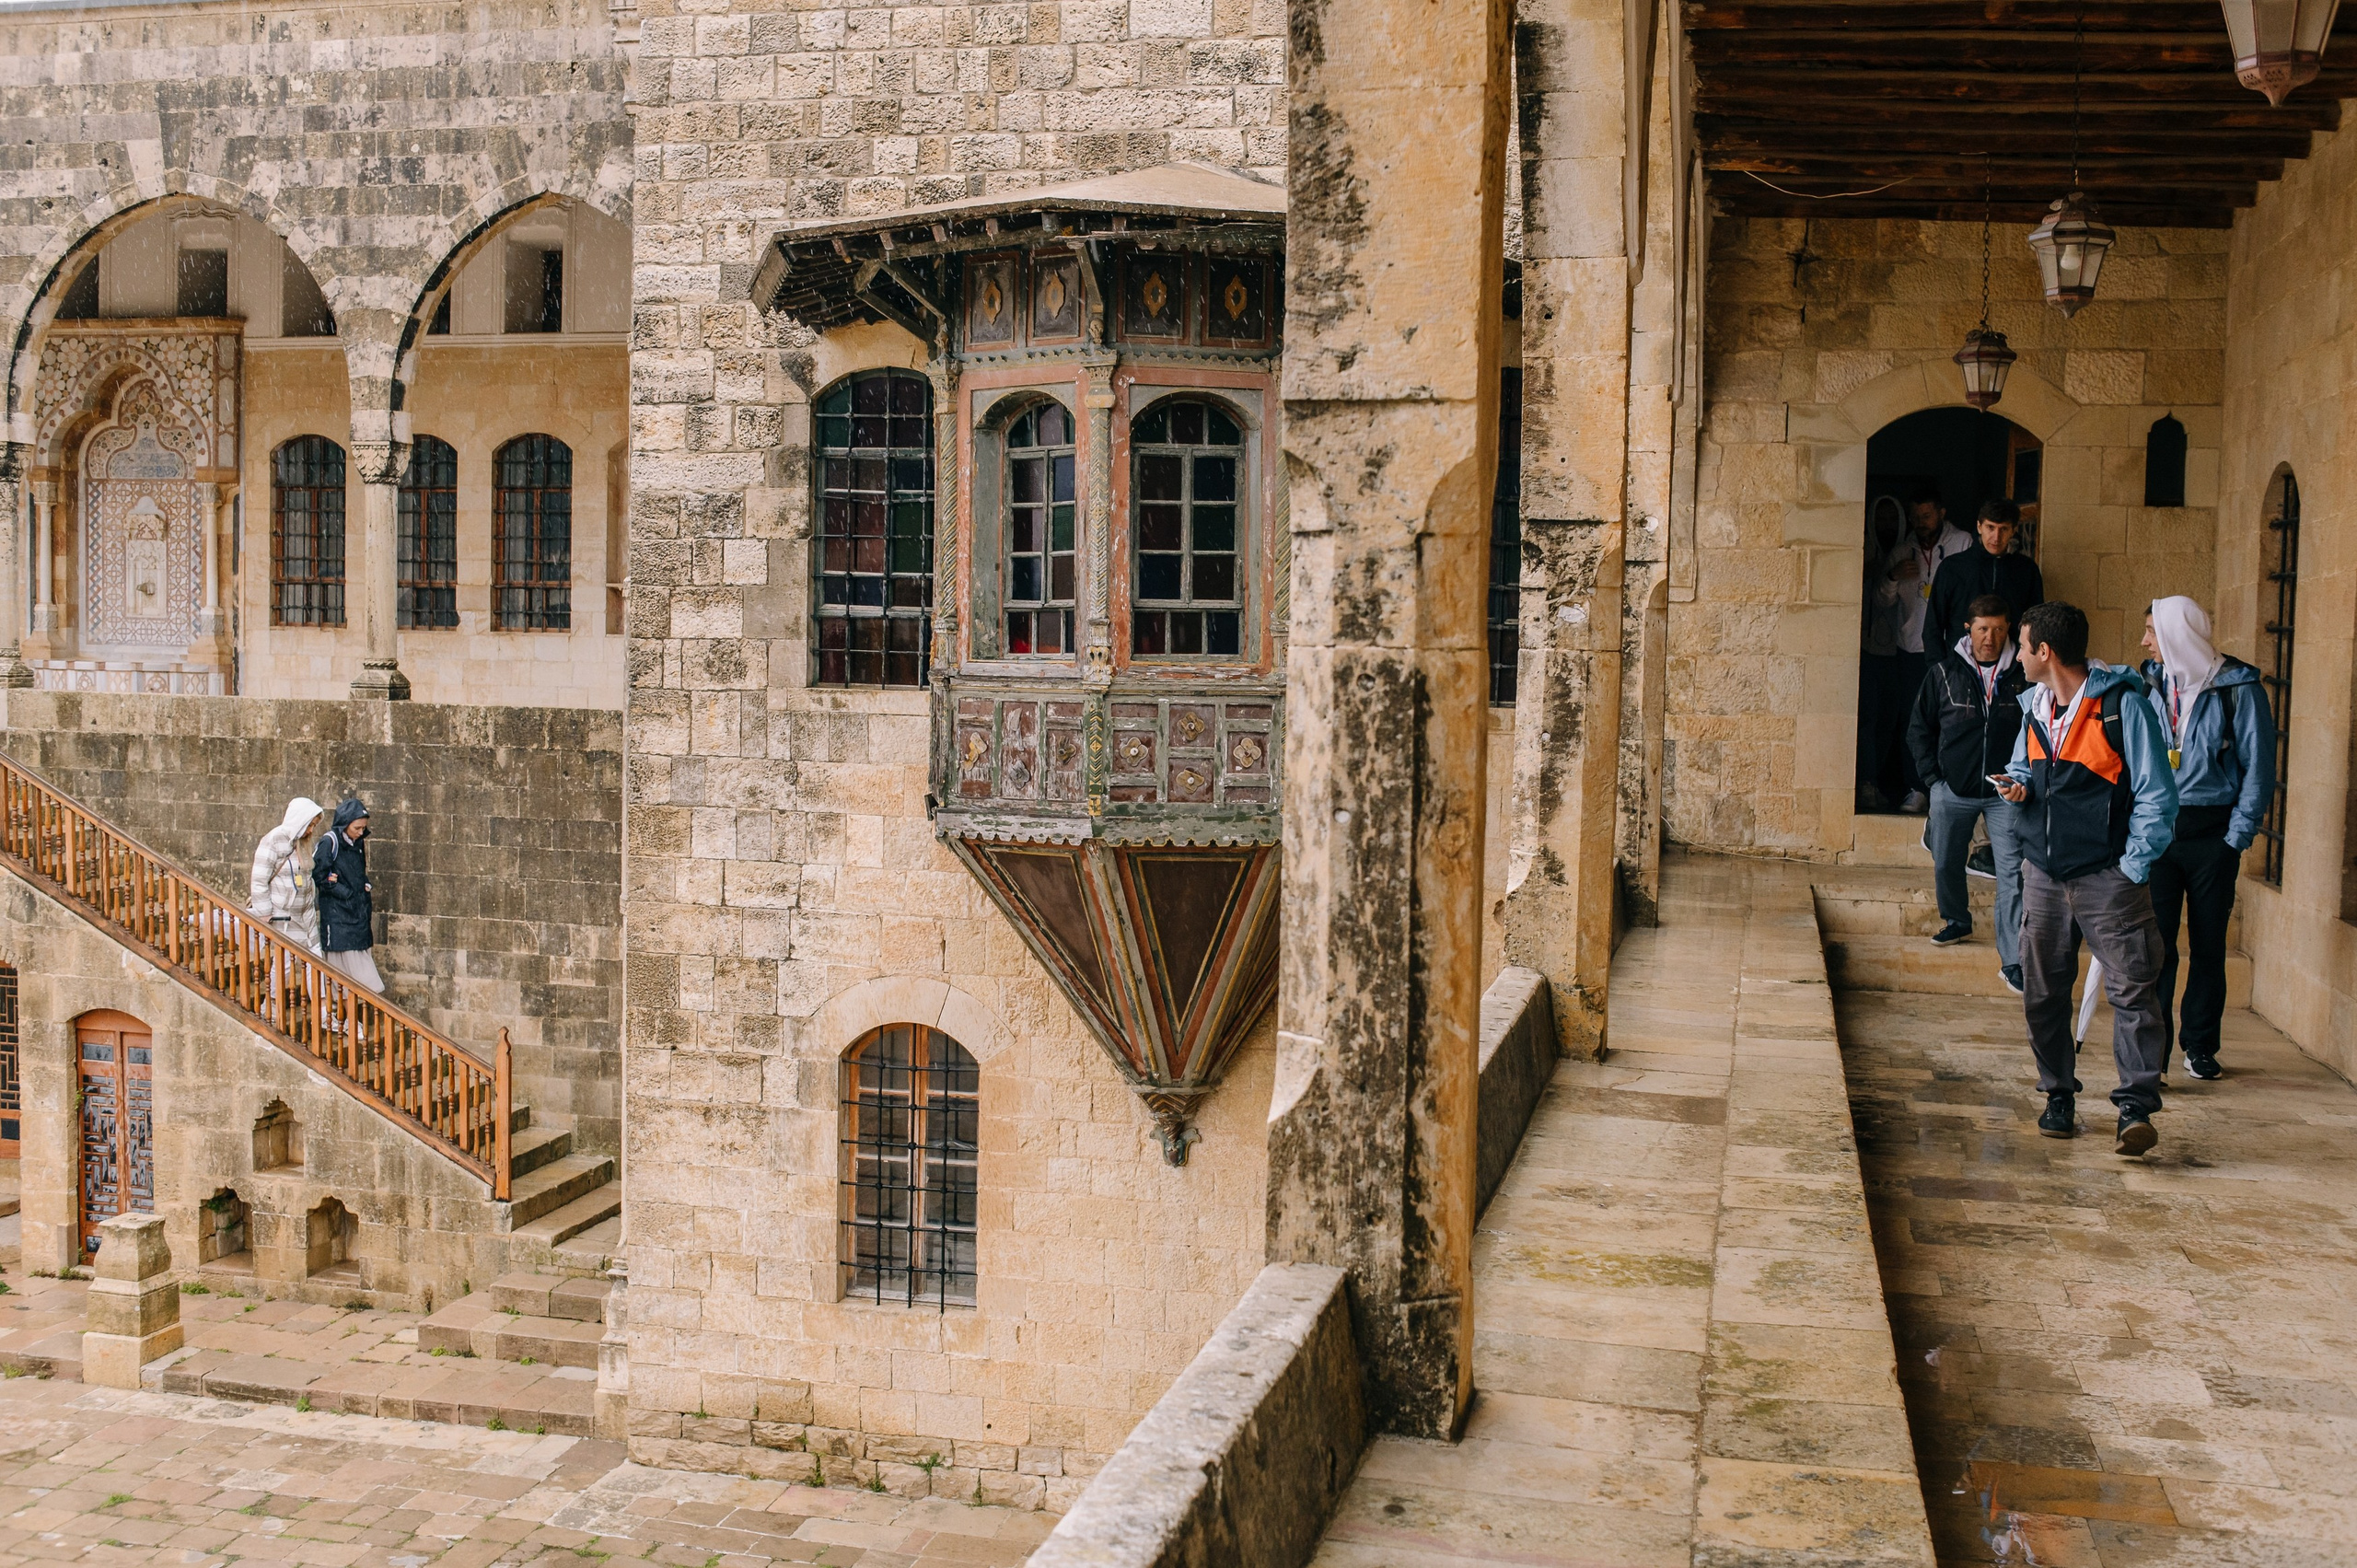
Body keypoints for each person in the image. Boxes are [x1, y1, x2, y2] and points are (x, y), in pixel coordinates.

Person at [1994, 601, 2177, 1156]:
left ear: (2044, 652)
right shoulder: (2033, 708)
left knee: (2133, 992)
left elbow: (2156, 795)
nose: (2017, 658)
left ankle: (2134, 1110)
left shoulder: (2125, 707)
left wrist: (2132, 868)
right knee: (2044, 992)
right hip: (2044, 876)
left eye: (2022, 647)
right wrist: (2018, 786)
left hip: (2107, 879)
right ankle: (2058, 1096)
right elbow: (2024, 767)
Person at [2138, 596, 2273, 1081]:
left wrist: (2235, 839)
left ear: (2176, 635)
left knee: (2209, 946)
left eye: (2152, 631)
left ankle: (2200, 1046)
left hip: (2213, 835)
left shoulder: (2239, 688)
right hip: (2159, 835)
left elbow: (2259, 769)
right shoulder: (2151, 684)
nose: (2145, 641)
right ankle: (2152, 1056)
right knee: (2157, 950)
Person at [1907, 594, 2029, 989]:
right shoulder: (1944, 673)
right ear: (1968, 629)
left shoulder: (2024, 674)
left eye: (1997, 629)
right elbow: (1919, 729)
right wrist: (1933, 781)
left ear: (2007, 628)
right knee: (1946, 861)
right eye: (1981, 629)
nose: (1989, 638)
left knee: (2012, 873)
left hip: (2005, 792)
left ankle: (2013, 959)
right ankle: (1957, 920)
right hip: (1952, 789)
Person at [1871, 491, 1974, 812]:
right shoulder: (1903, 551)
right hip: (1911, 649)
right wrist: (1891, 577)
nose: (1921, 523)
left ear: (1941, 513)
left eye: (1927, 516)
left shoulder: (1962, 543)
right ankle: (1916, 789)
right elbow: (1881, 602)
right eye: (1916, 517)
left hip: (1953, 650)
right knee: (1913, 722)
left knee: (1955, 720)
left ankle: (1950, 787)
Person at [1928, 498, 2044, 655]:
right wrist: (1940, 670)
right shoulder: (1952, 568)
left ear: (2013, 530)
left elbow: (2035, 625)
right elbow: (1932, 626)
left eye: (2003, 529)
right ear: (1979, 526)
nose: (1996, 537)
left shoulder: (2026, 570)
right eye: (1990, 527)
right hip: (1961, 666)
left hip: (2011, 668)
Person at [1856, 495, 1911, 812]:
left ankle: (1885, 781)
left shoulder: (1908, 554)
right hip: (1867, 649)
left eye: (1893, 519)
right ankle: (1867, 783)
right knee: (1868, 718)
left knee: (1891, 720)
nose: (1886, 525)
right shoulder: (1863, 549)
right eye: (1881, 518)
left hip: (1899, 649)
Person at [313, 797, 384, 993]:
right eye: (357, 828)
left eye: (363, 828)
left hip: (357, 913)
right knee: (345, 975)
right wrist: (339, 889)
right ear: (345, 825)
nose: (361, 833)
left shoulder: (358, 843)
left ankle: (350, 1018)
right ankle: (343, 1018)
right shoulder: (329, 842)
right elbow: (317, 875)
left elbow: (358, 872)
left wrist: (365, 885)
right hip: (338, 917)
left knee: (359, 970)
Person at [249, 796, 327, 953]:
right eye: (309, 825)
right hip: (283, 916)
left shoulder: (303, 842)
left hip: (306, 915)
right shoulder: (273, 839)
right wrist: (265, 913)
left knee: (316, 957)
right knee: (284, 964)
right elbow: (259, 879)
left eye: (314, 826)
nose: (311, 830)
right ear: (300, 820)